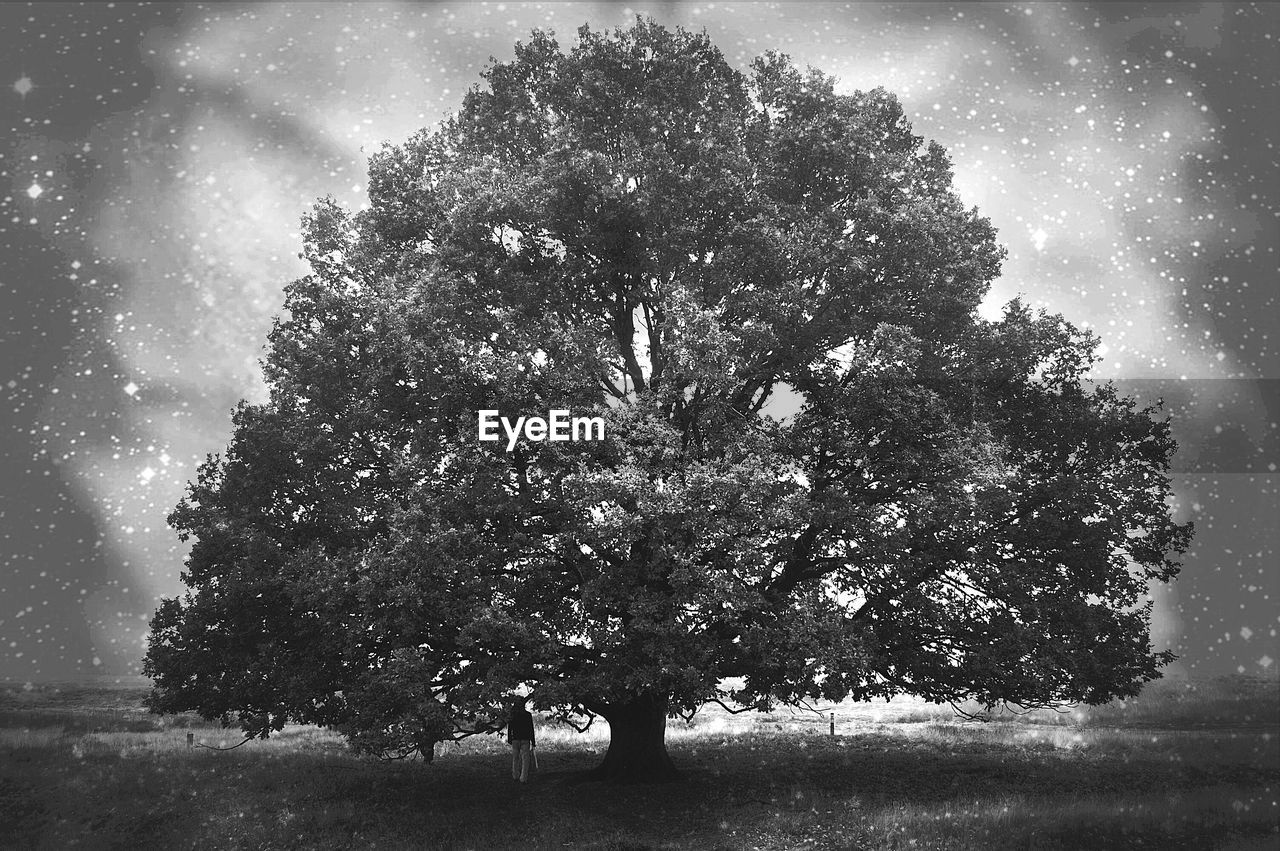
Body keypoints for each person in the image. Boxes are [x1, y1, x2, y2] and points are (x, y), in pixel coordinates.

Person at [507, 696, 536, 783]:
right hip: (525, 739)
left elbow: (510, 728)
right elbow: (531, 729)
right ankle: (523, 778)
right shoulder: (528, 715)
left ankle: (515, 775)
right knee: (525, 759)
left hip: (515, 739)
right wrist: (533, 741)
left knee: (515, 758)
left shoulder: (512, 715)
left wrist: (509, 738)